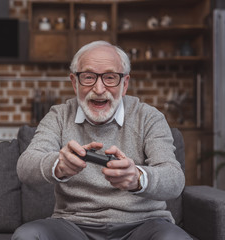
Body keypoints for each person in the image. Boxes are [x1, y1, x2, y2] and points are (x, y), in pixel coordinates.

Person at [12, 40, 192, 239]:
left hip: (143, 225)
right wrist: (58, 166)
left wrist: (138, 178)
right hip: (74, 225)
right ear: (74, 82)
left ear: (124, 84)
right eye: (88, 77)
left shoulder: (149, 117)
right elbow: (25, 167)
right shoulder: (58, 116)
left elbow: (174, 180)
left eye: (110, 77)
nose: (98, 88)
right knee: (27, 235)